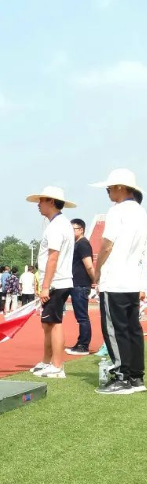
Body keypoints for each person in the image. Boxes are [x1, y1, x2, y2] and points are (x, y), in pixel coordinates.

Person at [91, 169, 147, 395]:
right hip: (132, 280)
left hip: (114, 280)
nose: (108, 192)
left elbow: (107, 245)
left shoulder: (117, 211)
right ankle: (136, 376)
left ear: (121, 187)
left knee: (115, 329)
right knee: (133, 329)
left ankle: (122, 377)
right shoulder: (141, 212)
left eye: (110, 188)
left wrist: (97, 271)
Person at [26, 186, 76, 379]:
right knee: (48, 323)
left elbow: (53, 257)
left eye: (42, 200)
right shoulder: (60, 224)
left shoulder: (57, 226)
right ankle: (47, 361)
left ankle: (57, 365)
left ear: (51, 202)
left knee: (54, 323)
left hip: (56, 282)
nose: (38, 204)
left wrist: (46, 286)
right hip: (57, 281)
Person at [67, 218, 95, 356]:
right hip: (76, 284)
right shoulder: (77, 244)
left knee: (82, 317)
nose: (70, 232)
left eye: (73, 229)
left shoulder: (83, 244)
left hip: (81, 284)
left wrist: (94, 280)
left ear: (81, 229)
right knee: (80, 317)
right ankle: (80, 342)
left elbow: (89, 265)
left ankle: (84, 345)